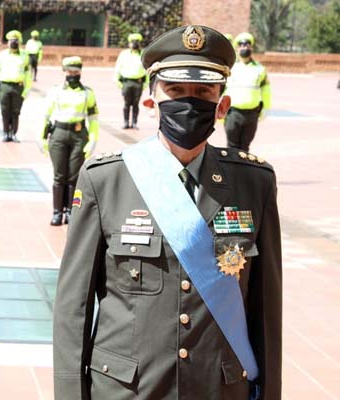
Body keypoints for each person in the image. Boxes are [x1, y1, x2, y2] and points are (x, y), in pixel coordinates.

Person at [53, 25, 281, 400]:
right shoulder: (105, 181)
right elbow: (72, 307)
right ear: (150, 101)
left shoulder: (254, 183)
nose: (189, 103)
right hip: (129, 390)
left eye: (204, 92)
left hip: (219, 388)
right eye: (175, 91)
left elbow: (266, 310)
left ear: (222, 105)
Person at [41, 56, 99, 226]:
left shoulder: (88, 92)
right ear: (64, 72)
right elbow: (45, 116)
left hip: (78, 135)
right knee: (59, 175)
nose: (73, 74)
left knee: (74, 176)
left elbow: (93, 118)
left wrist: (93, 139)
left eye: (76, 71)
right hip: (58, 133)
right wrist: (42, 137)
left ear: (80, 72)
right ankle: (57, 212)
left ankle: (70, 211)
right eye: (69, 71)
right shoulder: (55, 91)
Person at [224, 32, 270, 152]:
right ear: (237, 48)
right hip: (233, 114)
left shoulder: (260, 69)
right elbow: (222, 90)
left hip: (252, 114)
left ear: (251, 47)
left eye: (248, 44)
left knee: (245, 148)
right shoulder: (230, 68)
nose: (245, 47)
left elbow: (266, 90)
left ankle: (243, 171)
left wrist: (266, 108)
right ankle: (231, 171)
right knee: (231, 147)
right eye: (241, 44)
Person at [0, 30, 31, 142]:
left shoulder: (25, 56)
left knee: (15, 112)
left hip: (18, 87)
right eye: (11, 40)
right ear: (7, 42)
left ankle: (13, 133)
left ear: (20, 42)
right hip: (4, 86)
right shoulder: (2, 55)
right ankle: (5, 133)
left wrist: (26, 90)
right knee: (5, 111)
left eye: (16, 40)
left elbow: (28, 74)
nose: (13, 42)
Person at [114, 33, 148, 129]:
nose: (135, 44)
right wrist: (117, 81)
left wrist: (146, 83)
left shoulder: (143, 54)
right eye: (133, 42)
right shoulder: (124, 54)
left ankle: (134, 123)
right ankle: (125, 122)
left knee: (136, 104)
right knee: (127, 103)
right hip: (126, 82)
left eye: (137, 42)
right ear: (129, 43)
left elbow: (147, 70)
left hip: (138, 82)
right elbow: (118, 68)